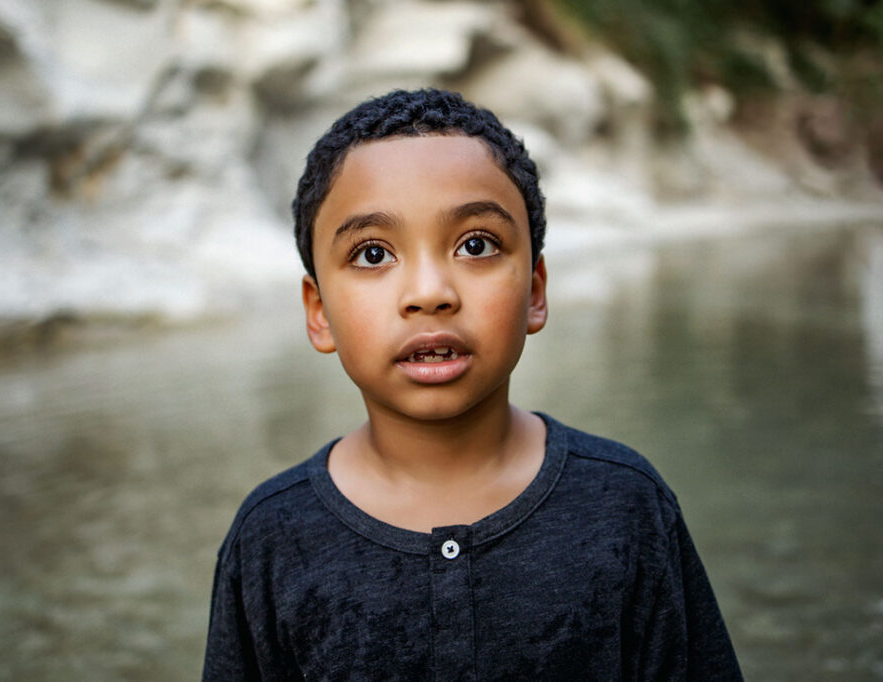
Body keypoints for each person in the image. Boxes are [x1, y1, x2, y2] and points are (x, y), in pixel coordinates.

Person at [201, 89, 742, 680]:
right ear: (319, 312)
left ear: (535, 291)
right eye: (374, 253)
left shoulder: (626, 505)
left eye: (476, 245)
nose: (430, 291)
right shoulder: (272, 540)